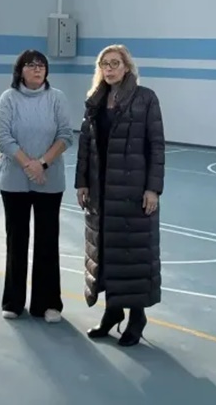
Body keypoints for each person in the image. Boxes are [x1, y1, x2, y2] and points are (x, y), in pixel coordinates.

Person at [74, 44, 165, 347]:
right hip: (101, 193)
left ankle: (137, 317)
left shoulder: (145, 98)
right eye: (104, 64)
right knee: (107, 254)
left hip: (132, 193)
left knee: (133, 256)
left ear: (127, 67)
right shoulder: (95, 101)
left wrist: (152, 188)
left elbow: (156, 146)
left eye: (115, 63)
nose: (109, 69)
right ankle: (112, 312)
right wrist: (82, 182)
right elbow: (85, 145)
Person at [0, 49, 74, 322]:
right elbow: (3, 137)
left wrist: (42, 164)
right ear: (20, 71)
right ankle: (13, 301)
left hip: (49, 181)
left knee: (47, 242)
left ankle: (48, 304)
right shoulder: (8, 98)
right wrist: (29, 164)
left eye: (41, 65)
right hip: (14, 182)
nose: (37, 69)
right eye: (31, 65)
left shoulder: (57, 98)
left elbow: (65, 135)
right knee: (16, 241)